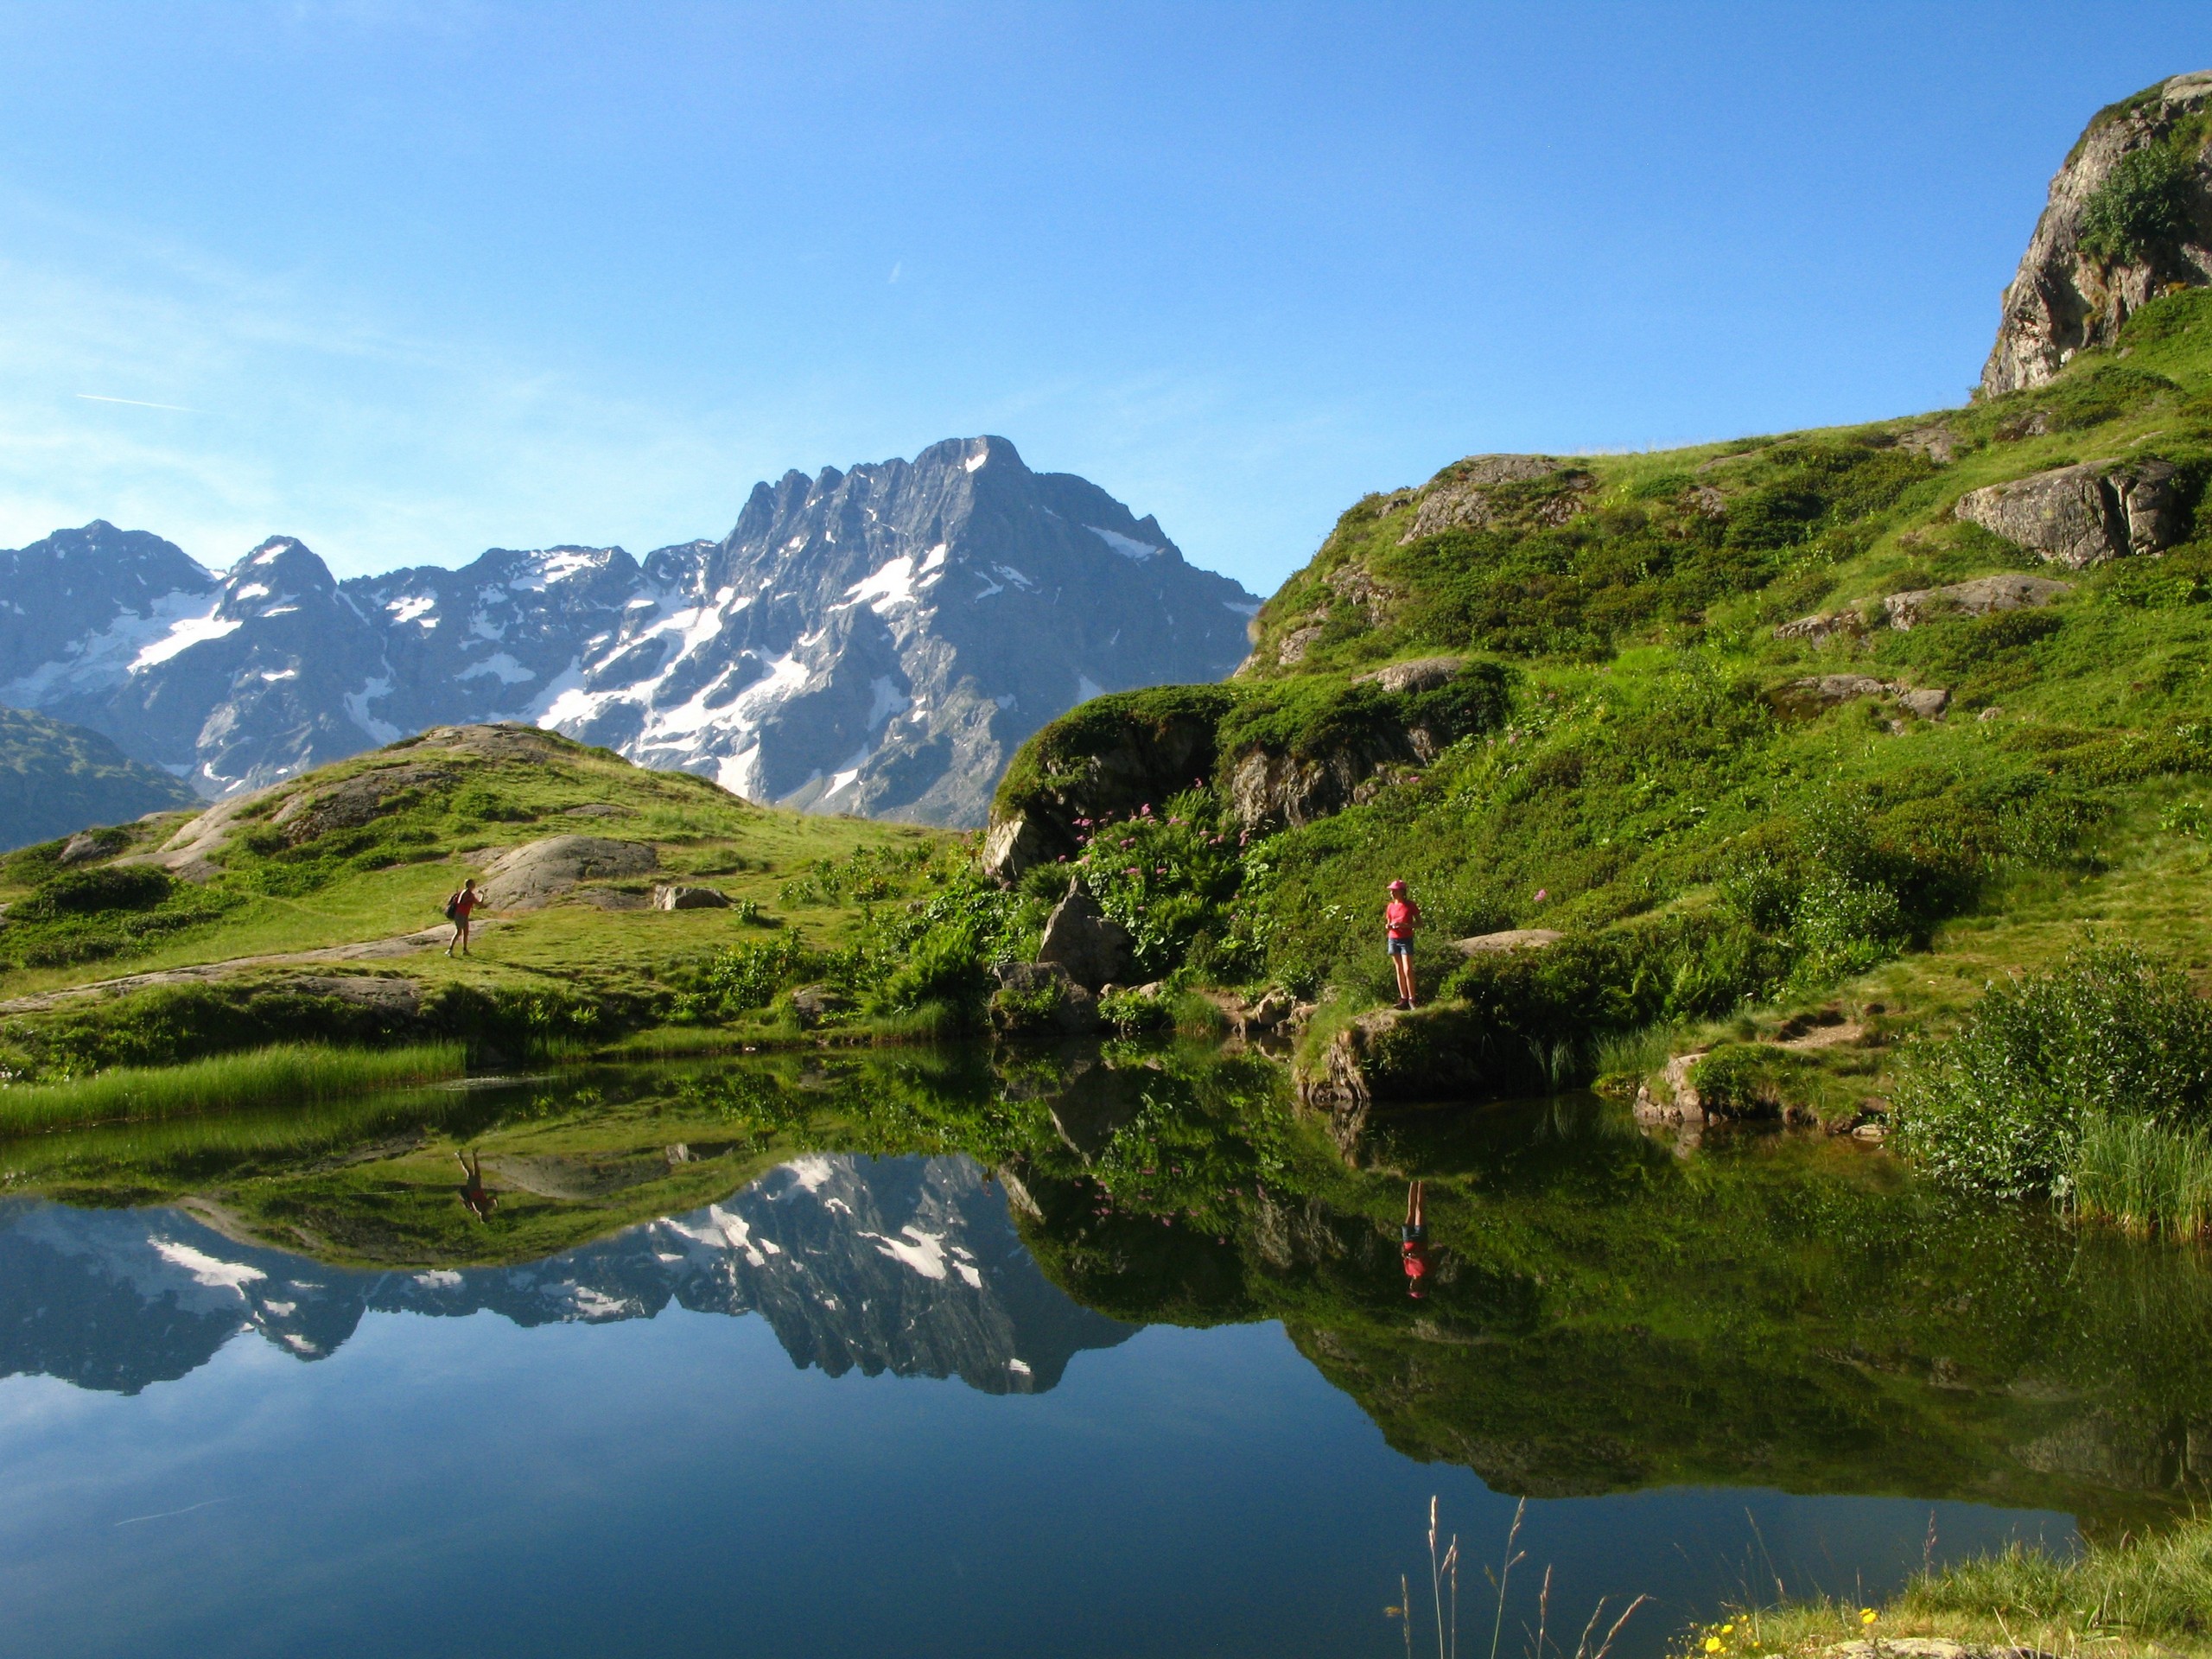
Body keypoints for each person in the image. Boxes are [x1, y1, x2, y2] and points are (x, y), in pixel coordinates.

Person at [1384, 879, 1421, 1009]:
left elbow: (1419, 924)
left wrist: (1405, 926)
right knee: (1399, 969)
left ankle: (1412, 999)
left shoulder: (1410, 905)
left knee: (1408, 969)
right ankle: (1403, 999)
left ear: (1402, 891)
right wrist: (1389, 926)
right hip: (1393, 938)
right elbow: (1388, 922)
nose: (1392, 893)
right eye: (1391, 891)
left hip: (1406, 939)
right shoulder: (1390, 906)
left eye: (1394, 891)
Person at [1401, 1179, 1430, 1300]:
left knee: (1411, 1210)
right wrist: (1416, 1255)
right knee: (1419, 1210)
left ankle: (1413, 1181)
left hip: (1408, 1240)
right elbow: (1427, 1254)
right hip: (1420, 1239)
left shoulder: (1408, 1271)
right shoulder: (1426, 1271)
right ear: (1420, 1286)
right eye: (1414, 1287)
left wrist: (1406, 1254)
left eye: (1411, 1287)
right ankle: (1422, 1182)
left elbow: (1404, 1255)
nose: (1411, 1285)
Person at [445, 877, 486, 957]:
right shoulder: (465, 892)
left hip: (465, 915)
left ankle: (465, 950)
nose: (474, 885)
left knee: (466, 932)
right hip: (459, 914)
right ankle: (449, 950)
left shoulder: (471, 894)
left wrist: (482, 895)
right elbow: (460, 902)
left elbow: (480, 904)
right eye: (473, 884)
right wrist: (469, 899)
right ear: (469, 885)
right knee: (459, 932)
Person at [456, 1148, 498, 1223]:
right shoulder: (487, 1208)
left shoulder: (478, 1209)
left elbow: (475, 1202)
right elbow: (491, 1198)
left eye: (487, 1216)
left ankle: (460, 1156)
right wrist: (493, 1201)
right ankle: (474, 1154)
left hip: (473, 1189)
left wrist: (487, 1204)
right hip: (478, 1188)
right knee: (477, 1172)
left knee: (470, 1172)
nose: (488, 1214)